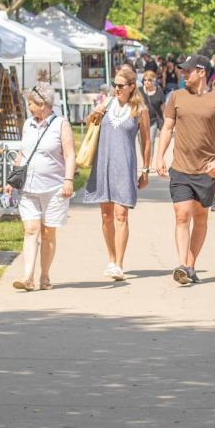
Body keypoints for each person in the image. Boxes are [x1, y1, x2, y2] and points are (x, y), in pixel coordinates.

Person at [151, 55, 215, 286]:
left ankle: (190, 265)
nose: (183, 74)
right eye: (182, 71)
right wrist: (159, 156)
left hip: (206, 169)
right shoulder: (175, 97)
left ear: (202, 71)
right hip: (181, 167)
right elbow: (166, 129)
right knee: (182, 214)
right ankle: (183, 264)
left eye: (188, 71)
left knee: (200, 217)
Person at [77, 65, 152, 281]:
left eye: (120, 86)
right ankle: (110, 259)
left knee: (121, 214)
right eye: (114, 85)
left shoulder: (140, 110)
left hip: (125, 167)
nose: (116, 89)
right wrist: (94, 113)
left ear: (131, 87)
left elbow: (146, 141)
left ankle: (119, 263)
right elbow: (90, 125)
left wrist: (145, 169)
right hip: (103, 164)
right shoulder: (107, 104)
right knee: (106, 214)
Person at [12, 86, 76, 292]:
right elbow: (22, 153)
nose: (28, 106)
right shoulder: (27, 124)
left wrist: (68, 180)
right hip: (28, 188)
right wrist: (12, 180)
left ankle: (44, 276)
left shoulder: (61, 124)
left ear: (42, 105)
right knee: (31, 230)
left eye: (30, 103)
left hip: (54, 187)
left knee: (48, 233)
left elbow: (69, 155)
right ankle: (27, 277)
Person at [141, 68, 169, 140]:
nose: (147, 82)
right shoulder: (139, 91)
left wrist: (166, 124)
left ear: (154, 80)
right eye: (145, 80)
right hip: (141, 122)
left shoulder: (159, 91)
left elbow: (163, 109)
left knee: (151, 142)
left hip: (153, 121)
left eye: (149, 80)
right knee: (142, 144)